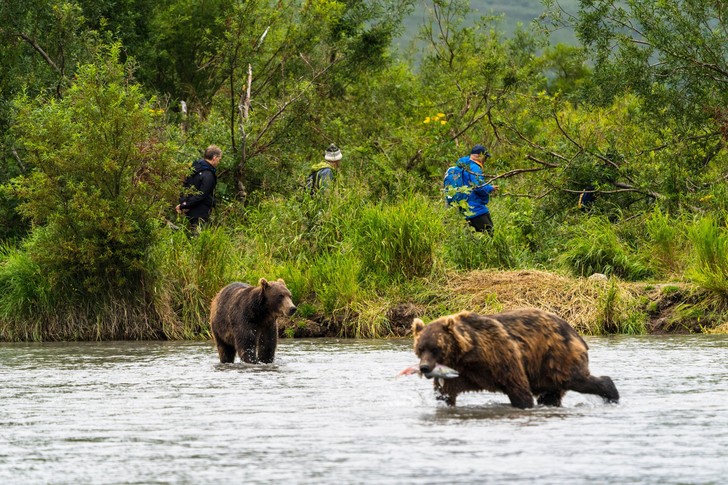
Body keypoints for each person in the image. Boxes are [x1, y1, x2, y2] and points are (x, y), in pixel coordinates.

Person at [176, 145, 222, 228]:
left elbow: (185, 187)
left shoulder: (194, 169)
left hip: (188, 210)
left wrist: (183, 204)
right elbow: (202, 195)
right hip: (200, 213)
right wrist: (184, 205)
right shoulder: (208, 174)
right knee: (197, 237)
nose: (219, 161)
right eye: (219, 159)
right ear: (214, 157)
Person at [459, 144, 498, 235]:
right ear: (479, 156)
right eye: (485, 157)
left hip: (464, 209)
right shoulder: (475, 168)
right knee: (490, 236)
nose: (485, 160)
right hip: (476, 209)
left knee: (472, 239)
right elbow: (478, 188)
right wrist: (490, 188)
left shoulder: (464, 166)